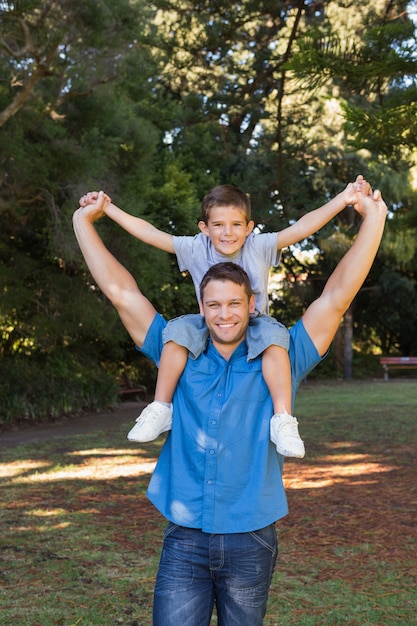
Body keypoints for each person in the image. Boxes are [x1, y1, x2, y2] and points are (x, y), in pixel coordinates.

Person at [73, 184, 387, 625]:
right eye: (214, 304)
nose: (225, 314)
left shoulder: (283, 352)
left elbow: (336, 296)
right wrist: (82, 224)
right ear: (200, 306)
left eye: (235, 303)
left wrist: (373, 221)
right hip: (184, 539)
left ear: (252, 303)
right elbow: (122, 292)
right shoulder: (176, 348)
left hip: (251, 539)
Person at [81, 176, 370, 458]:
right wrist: (108, 208)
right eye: (218, 225)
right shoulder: (196, 247)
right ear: (204, 228)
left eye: (235, 225)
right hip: (206, 324)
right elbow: (151, 233)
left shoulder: (259, 246)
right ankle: (160, 406)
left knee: (275, 342)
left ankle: (283, 419)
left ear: (249, 228)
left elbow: (302, 227)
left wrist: (342, 199)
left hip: (256, 324)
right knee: (176, 333)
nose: (227, 233)